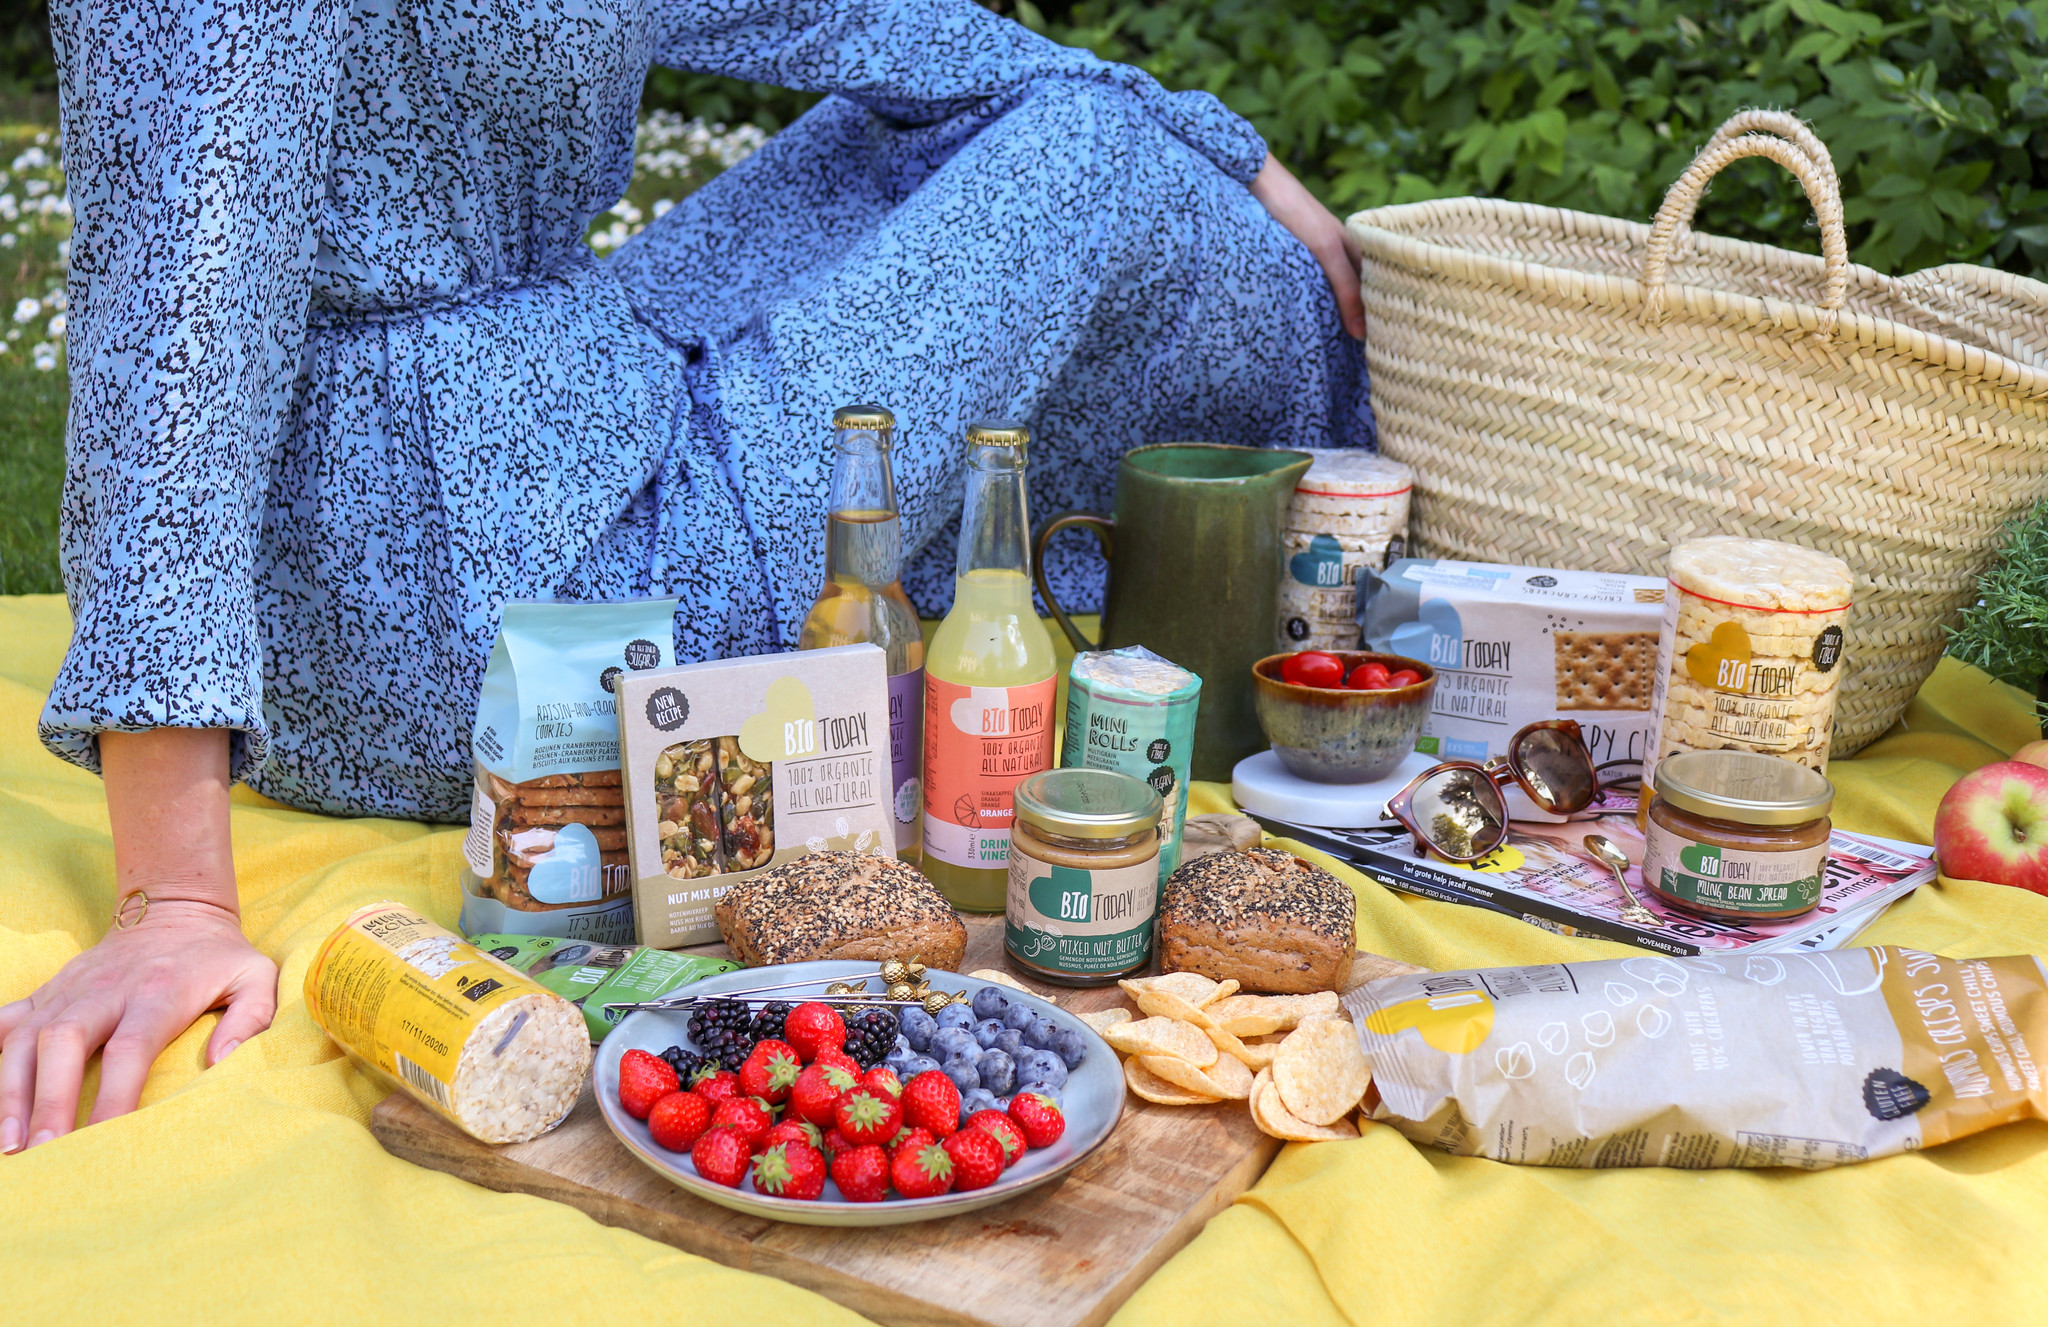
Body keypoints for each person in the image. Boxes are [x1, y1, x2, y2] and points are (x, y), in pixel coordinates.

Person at [0, 0, 1371, 1155]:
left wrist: (1233, 145)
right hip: (485, 612)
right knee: (1092, 163)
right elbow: (180, 312)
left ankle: (1303, 559)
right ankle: (1324, 572)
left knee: (929, 129)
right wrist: (174, 897)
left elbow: (850, 18)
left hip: (534, 431)